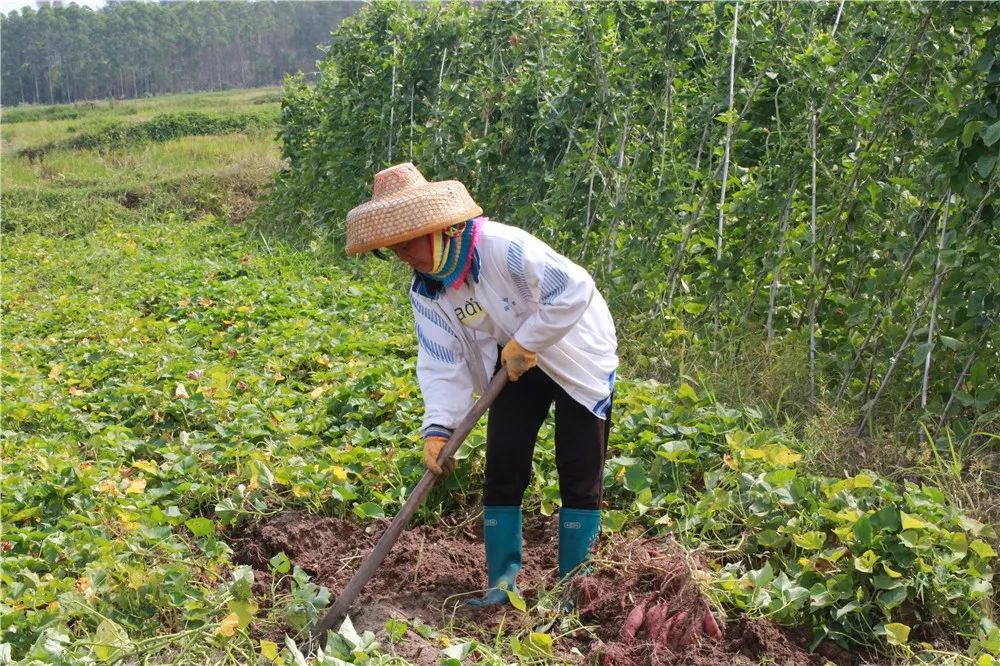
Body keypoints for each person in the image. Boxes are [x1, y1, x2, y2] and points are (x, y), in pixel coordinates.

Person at [345, 162, 618, 607]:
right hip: (512, 361)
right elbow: (441, 360)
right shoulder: (429, 290)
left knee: (578, 470)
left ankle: (574, 593)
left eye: (406, 243)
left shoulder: (501, 247)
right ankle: (501, 588)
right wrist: (438, 428)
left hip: (573, 352)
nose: (403, 257)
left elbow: (575, 287)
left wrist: (530, 340)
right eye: (391, 249)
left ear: (442, 228)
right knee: (504, 466)